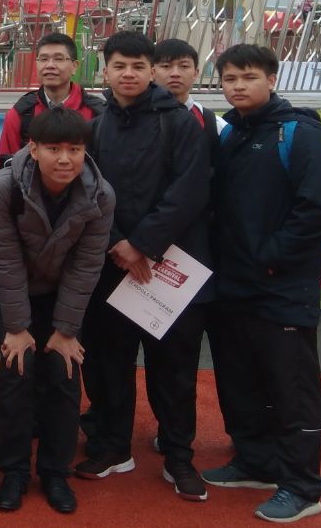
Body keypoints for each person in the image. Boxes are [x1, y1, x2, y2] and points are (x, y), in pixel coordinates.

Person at [203, 44, 321, 523]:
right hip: (233, 284)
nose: (238, 86)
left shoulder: (300, 133)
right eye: (230, 78)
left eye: (249, 77)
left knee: (291, 387)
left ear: (272, 79)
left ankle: (302, 486)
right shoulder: (231, 134)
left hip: (282, 286)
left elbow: (318, 207)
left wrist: (271, 259)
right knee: (240, 379)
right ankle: (255, 461)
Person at [77, 32, 212, 501]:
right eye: (119, 66)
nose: (129, 74)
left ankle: (178, 457)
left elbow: (189, 192)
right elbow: (88, 191)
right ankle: (113, 447)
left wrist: (142, 244)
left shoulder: (180, 123)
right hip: (111, 263)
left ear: (152, 70)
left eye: (138, 65)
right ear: (106, 70)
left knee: (173, 368)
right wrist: (118, 243)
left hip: (169, 266)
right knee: (108, 363)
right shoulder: (96, 126)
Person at [0, 107, 113, 514]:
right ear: (33, 148)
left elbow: (87, 264)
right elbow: (4, 261)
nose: (64, 159)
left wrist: (66, 330)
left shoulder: (100, 194)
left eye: (74, 149)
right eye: (53, 149)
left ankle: (56, 471)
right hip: (16, 291)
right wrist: (17, 327)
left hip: (63, 295)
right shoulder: (2, 188)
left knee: (64, 373)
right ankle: (15, 471)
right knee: (16, 372)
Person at [0, 32, 105, 169]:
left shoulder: (97, 114)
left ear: (75, 66)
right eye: (43, 59)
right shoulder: (20, 115)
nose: (50, 65)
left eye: (58, 59)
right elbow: (5, 171)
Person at [153, 37, 219, 133]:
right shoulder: (136, 117)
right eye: (166, 66)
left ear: (196, 73)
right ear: (152, 72)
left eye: (184, 66)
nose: (175, 73)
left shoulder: (211, 122)